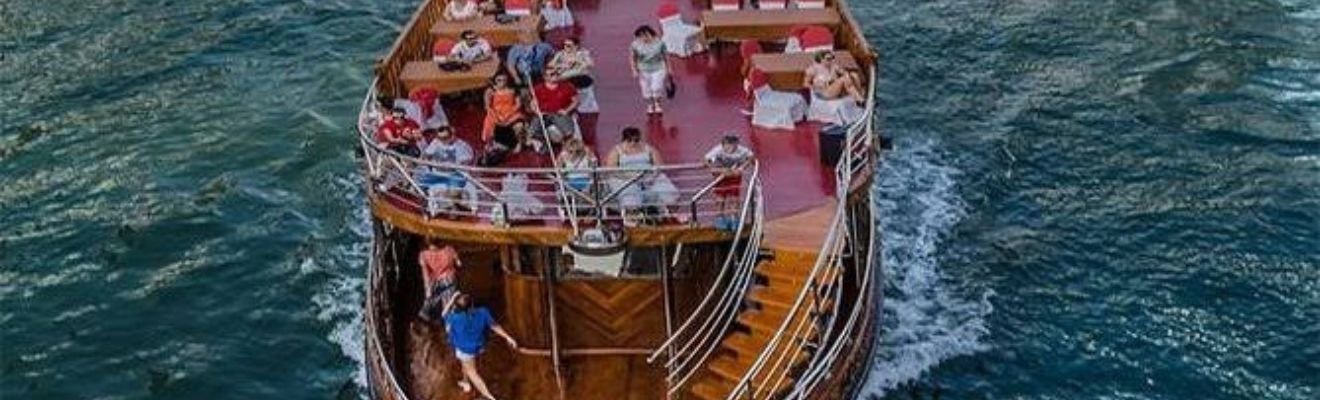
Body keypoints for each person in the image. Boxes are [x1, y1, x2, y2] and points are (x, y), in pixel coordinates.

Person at [443, 292, 518, 400]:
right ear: (472, 305)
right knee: (466, 364)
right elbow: (494, 326)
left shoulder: (454, 318)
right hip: (479, 346)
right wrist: (508, 337)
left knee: (472, 372)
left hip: (465, 350)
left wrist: (451, 299)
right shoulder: (483, 312)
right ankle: (465, 382)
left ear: (457, 307)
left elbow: (443, 314)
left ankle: (489, 397)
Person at [605, 127, 679, 225]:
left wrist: (652, 177)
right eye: (629, 140)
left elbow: (659, 165)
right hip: (626, 178)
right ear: (624, 139)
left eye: (636, 140)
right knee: (629, 195)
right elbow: (612, 169)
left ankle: (668, 216)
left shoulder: (648, 148)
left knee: (667, 191)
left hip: (648, 176)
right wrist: (630, 177)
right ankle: (632, 218)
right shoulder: (617, 150)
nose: (633, 143)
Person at [703, 134, 755, 230]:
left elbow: (751, 157)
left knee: (734, 198)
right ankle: (719, 218)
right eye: (728, 145)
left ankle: (734, 218)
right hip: (721, 176)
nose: (731, 148)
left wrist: (742, 167)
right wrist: (716, 169)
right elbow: (705, 160)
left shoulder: (741, 150)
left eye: (734, 145)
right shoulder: (717, 150)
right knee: (720, 198)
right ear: (723, 145)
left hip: (734, 176)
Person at [419, 127, 476, 212]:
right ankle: (427, 208)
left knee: (454, 192)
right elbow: (426, 155)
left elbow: (467, 162)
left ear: (451, 136)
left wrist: (453, 166)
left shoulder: (461, 146)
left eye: (445, 138)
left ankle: (454, 207)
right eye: (439, 138)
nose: (441, 140)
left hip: (454, 174)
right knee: (421, 186)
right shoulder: (436, 142)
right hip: (437, 173)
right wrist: (427, 161)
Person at [629, 25, 671, 115]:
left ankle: (658, 104)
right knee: (646, 89)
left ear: (649, 34)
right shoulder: (635, 45)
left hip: (658, 68)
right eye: (639, 36)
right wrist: (634, 70)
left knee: (656, 87)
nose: (642, 38)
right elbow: (632, 58)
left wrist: (669, 68)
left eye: (643, 35)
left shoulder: (660, 43)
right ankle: (650, 105)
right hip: (643, 70)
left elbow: (665, 56)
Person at [417, 242, 461, 322]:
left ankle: (429, 325)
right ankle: (449, 327)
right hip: (449, 280)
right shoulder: (449, 249)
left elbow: (425, 274)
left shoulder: (423, 254)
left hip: (434, 282)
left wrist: (427, 289)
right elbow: (459, 264)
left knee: (430, 306)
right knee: (449, 307)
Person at [530, 72, 579, 144]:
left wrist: (566, 110)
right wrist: (536, 111)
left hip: (559, 114)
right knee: (533, 131)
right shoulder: (538, 88)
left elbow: (576, 101)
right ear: (545, 77)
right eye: (552, 74)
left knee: (569, 132)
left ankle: (568, 146)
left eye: (557, 74)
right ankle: (544, 143)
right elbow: (532, 103)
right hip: (544, 114)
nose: (555, 76)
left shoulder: (567, 86)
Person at [481, 74, 523, 143]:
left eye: (504, 80)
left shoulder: (513, 90)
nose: (502, 82)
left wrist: (508, 114)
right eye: (499, 80)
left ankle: (519, 143)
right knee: (490, 121)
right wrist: (497, 116)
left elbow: (518, 104)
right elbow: (487, 107)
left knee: (519, 125)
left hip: (511, 113)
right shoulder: (490, 91)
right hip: (495, 114)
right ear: (495, 81)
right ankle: (493, 142)